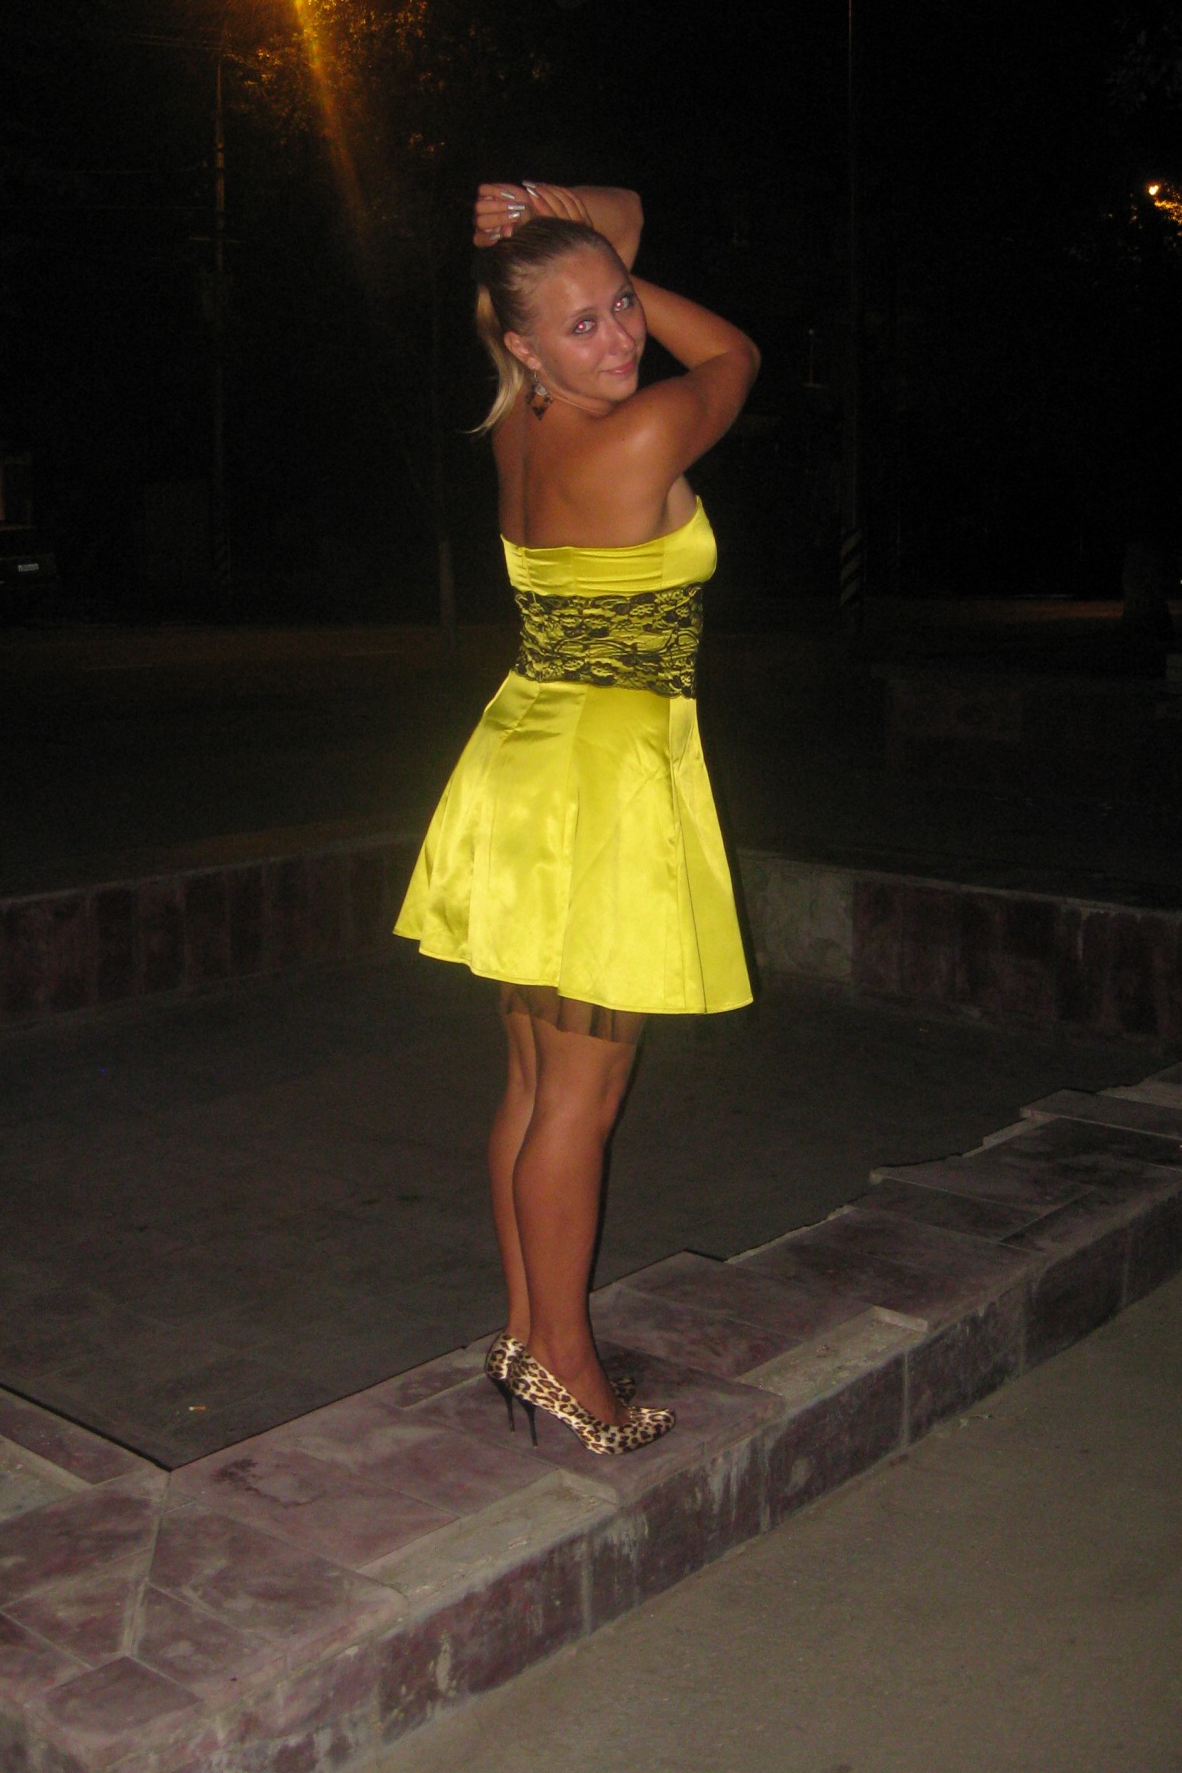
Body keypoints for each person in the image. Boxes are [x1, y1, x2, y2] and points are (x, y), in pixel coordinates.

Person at [395, 181, 759, 1455]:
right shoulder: (646, 428)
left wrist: (563, 241)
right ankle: (565, 1359)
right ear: (523, 343)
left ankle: (523, 1330)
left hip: (524, 755)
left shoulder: (523, 426)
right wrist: (595, 248)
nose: (621, 336)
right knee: (580, 1104)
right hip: (606, 784)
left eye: (621, 308)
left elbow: (619, 224)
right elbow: (736, 354)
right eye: (585, 324)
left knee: (533, 1078)